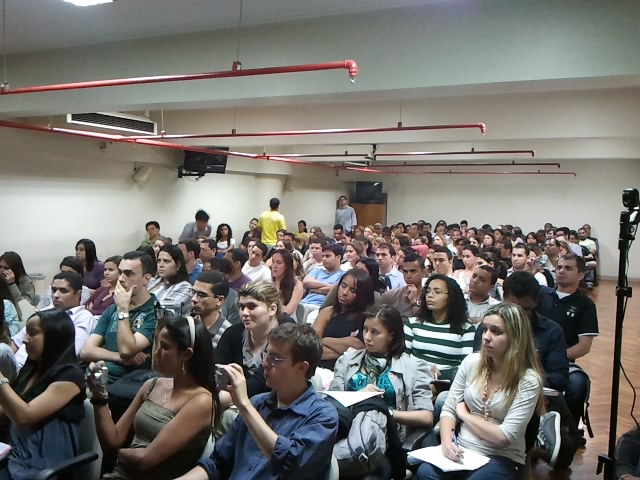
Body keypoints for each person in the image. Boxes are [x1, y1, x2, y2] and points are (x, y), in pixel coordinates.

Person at [177, 323, 338, 480]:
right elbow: (217, 463)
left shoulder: (323, 415)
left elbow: (288, 462)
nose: (265, 363)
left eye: (275, 358)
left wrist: (244, 405)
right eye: (266, 354)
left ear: (302, 367)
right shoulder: (257, 403)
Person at [415, 303, 544, 480]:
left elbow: (504, 436)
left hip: (502, 457)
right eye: (485, 329)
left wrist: (465, 415)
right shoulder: (471, 362)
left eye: (496, 332)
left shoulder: (528, 380)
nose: (486, 337)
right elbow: (449, 410)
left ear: (515, 338)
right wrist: (447, 443)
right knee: (425, 472)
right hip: (464, 450)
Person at [89, 315, 219, 480]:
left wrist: (119, 453)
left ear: (186, 354)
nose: (156, 353)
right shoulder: (152, 385)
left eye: (165, 347)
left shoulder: (202, 401)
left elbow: (144, 460)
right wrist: (99, 396)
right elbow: (112, 441)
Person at [0, 309, 86, 480]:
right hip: (15, 453)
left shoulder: (71, 376)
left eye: (32, 333)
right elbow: (7, 411)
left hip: (43, 464)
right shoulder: (30, 370)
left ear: (55, 336)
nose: (25, 340)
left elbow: (24, 416)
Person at [330, 305, 434, 441]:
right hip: (347, 434)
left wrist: (386, 412)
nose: (367, 337)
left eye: (375, 332)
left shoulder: (413, 368)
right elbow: (331, 406)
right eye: (365, 329)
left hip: (390, 439)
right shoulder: (347, 360)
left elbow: (426, 417)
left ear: (391, 335)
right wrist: (358, 397)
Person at [536, 254, 598, 431]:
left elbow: (583, 346)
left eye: (568, 268)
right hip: (529, 357)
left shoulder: (585, 305)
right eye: (559, 267)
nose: (561, 271)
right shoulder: (540, 294)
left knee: (578, 384)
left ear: (581, 275)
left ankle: (568, 431)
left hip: (563, 363)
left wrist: (555, 358)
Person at [80, 251, 158, 384]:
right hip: (97, 379)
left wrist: (123, 309)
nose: (121, 279)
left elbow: (126, 350)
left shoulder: (154, 312)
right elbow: (86, 351)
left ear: (146, 278)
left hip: (126, 385)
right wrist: (119, 358)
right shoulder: (112, 309)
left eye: (128, 273)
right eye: (120, 272)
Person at [215, 281, 295, 410]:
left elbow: (263, 384)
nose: (245, 313)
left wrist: (217, 399)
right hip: (232, 399)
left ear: (272, 309)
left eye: (252, 307)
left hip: (272, 405)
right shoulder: (233, 333)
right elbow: (216, 370)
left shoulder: (288, 338)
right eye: (242, 307)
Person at [12, 272, 94, 371]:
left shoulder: (83, 317)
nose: (56, 295)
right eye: (54, 290)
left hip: (40, 369)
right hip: (15, 366)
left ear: (78, 294)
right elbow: (17, 341)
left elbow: (72, 351)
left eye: (63, 291)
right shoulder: (45, 310)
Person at [404, 275, 475, 383]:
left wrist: (439, 376)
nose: (430, 295)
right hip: (413, 379)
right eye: (428, 291)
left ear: (451, 297)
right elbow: (403, 358)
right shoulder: (413, 323)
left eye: (437, 292)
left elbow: (467, 366)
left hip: (447, 384)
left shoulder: (466, 328)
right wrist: (424, 370)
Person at [313, 269, 375, 370]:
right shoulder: (327, 312)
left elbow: (360, 347)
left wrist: (323, 340)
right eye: (343, 286)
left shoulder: (366, 318)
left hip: (349, 370)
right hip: (319, 367)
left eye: (353, 290)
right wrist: (343, 351)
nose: (344, 292)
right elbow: (312, 347)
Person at [191, 271, 233, 349]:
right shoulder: (186, 325)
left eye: (201, 295)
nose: (194, 299)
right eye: (193, 292)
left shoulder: (228, 334)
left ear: (219, 300)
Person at [379, 252, 426, 319]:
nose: (408, 276)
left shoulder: (430, 296)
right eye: (405, 271)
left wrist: (413, 301)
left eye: (413, 271)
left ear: (423, 272)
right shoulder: (390, 296)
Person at [147, 245, 193, 313]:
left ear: (178, 265)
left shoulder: (185, 287)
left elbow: (164, 311)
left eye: (166, 261)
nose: (161, 265)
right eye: (159, 261)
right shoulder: (152, 281)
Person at [300, 244, 344, 310]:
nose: (324, 259)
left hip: (321, 307)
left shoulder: (343, 274)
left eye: (327, 256)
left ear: (338, 257)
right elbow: (306, 282)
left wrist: (314, 288)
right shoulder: (317, 270)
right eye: (323, 256)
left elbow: (336, 291)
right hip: (304, 303)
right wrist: (329, 286)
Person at [271, 249, 303, 318]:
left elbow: (288, 310)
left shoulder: (297, 285)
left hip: (286, 320)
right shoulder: (268, 282)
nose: (274, 266)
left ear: (287, 266)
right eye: (273, 262)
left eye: (279, 263)